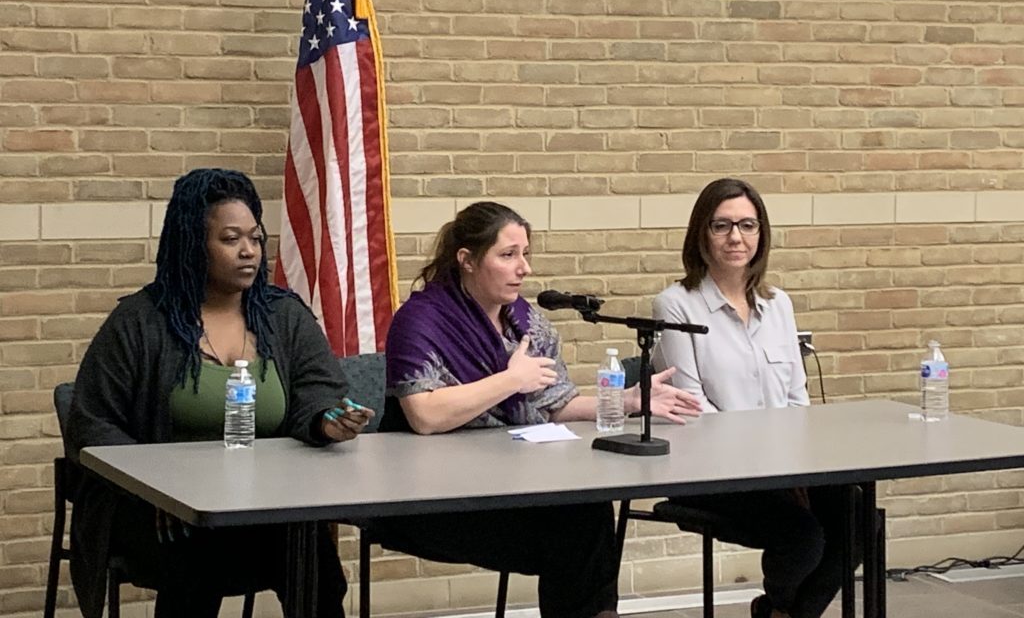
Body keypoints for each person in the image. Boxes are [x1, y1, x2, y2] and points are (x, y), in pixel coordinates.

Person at [66, 168, 373, 618]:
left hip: (261, 505)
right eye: (231, 239)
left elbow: (317, 389)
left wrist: (326, 419)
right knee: (197, 548)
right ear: (194, 244)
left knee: (311, 553)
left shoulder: (282, 316)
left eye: (255, 237)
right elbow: (91, 424)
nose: (249, 251)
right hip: (159, 511)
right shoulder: (141, 322)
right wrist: (157, 488)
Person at [379, 201, 702, 618]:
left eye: (525, 254)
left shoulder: (526, 321)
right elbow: (424, 415)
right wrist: (510, 380)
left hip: (512, 484)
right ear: (468, 261)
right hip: (437, 498)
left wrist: (624, 402)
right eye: (508, 255)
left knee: (585, 510)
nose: (524, 268)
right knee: (574, 539)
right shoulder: (421, 321)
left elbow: (553, 404)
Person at [651, 177, 858, 618]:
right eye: (721, 225)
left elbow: (796, 397)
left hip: (783, 463)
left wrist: (794, 462)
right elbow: (691, 406)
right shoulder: (675, 304)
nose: (736, 237)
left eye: (747, 224)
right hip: (713, 469)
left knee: (857, 517)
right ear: (701, 234)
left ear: (761, 233)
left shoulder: (777, 303)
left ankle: (781, 612)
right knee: (803, 537)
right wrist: (768, 461)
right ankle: (782, 609)